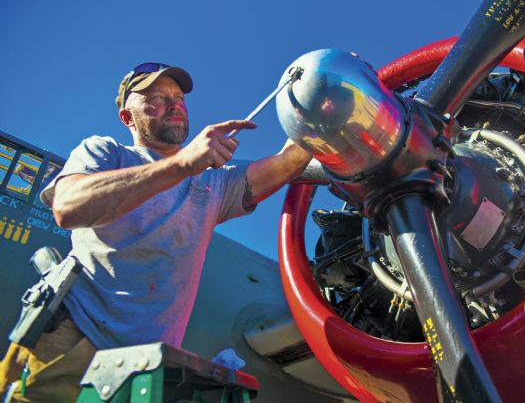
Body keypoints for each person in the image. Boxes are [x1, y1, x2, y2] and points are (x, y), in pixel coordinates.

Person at [0, 62, 312, 402]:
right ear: (127, 117)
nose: (173, 103)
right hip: (73, 337)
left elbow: (286, 163)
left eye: (178, 97)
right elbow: (68, 206)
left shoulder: (214, 183)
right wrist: (182, 164)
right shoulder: (106, 152)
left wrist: (330, 103)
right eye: (156, 97)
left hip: (145, 367)